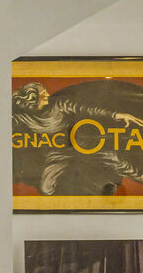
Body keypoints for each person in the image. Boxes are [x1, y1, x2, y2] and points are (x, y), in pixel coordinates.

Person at [12, 81, 143, 196]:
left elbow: (86, 109)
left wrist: (116, 115)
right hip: (59, 154)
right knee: (46, 188)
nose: (47, 95)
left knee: (118, 161)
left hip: (85, 145)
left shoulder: (58, 104)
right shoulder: (23, 117)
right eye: (43, 93)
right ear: (33, 98)